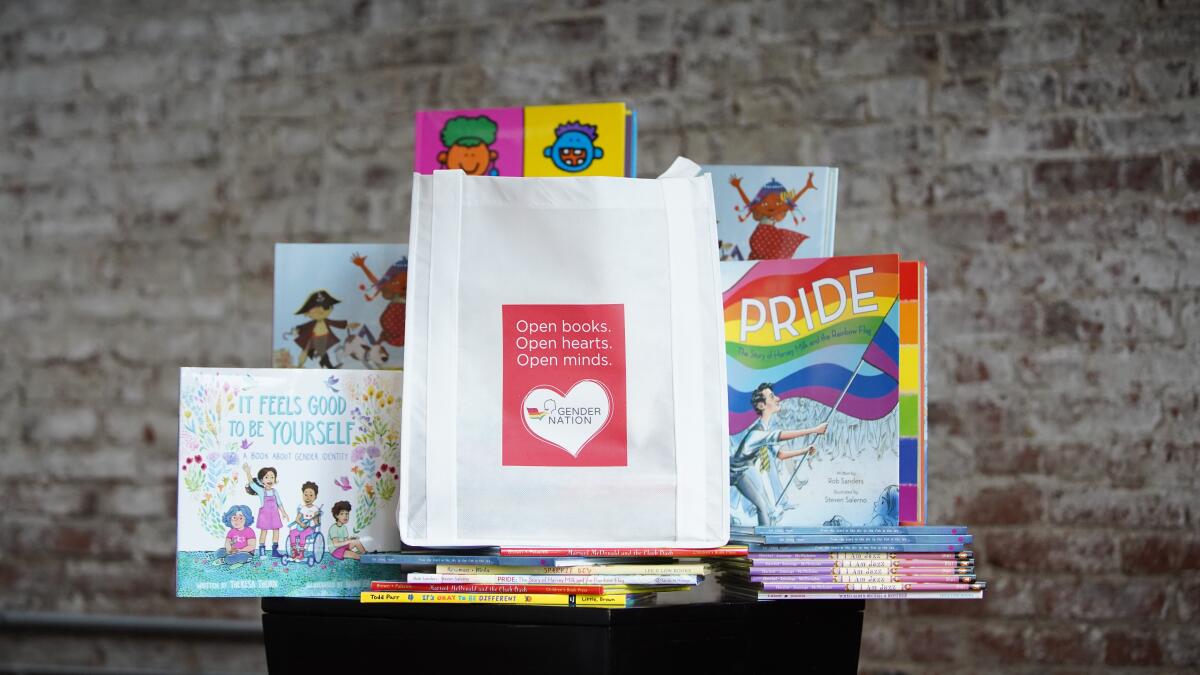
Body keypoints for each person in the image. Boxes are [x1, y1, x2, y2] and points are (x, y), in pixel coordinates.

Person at [730, 383, 828, 526]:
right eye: (772, 396)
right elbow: (780, 436)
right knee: (764, 507)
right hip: (735, 473)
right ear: (762, 406)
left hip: (743, 472)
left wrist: (805, 451)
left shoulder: (765, 429)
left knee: (765, 507)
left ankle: (767, 535)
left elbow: (780, 454)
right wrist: (814, 429)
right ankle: (766, 539)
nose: (777, 398)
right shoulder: (757, 433)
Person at [243, 464, 288, 557]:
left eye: (272, 477)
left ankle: (275, 551)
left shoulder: (275, 491)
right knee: (264, 532)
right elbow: (251, 483)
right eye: (266, 477)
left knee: (276, 530)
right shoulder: (260, 491)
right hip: (264, 515)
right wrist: (248, 472)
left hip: (275, 514)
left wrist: (284, 513)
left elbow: (279, 503)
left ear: (275, 479)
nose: (270, 479)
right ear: (261, 480)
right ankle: (262, 551)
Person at [287, 481, 321, 559]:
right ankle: (295, 551)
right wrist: (301, 523)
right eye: (305, 495)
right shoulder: (303, 508)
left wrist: (316, 517)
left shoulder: (315, 509)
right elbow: (297, 519)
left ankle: (301, 553)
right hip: (301, 527)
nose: (308, 497)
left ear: (315, 497)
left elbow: (316, 523)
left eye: (311, 495)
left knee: (302, 535)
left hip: (310, 529)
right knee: (292, 533)